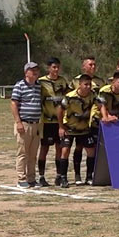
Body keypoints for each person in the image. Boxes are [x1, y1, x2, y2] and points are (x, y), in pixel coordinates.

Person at [56, 74, 96, 188]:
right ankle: (63, 178)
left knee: (91, 151)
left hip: (84, 129)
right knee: (65, 151)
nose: (88, 87)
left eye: (89, 84)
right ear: (80, 84)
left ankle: (89, 177)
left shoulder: (93, 95)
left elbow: (100, 104)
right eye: (86, 84)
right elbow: (59, 110)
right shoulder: (69, 96)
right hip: (70, 129)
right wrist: (61, 126)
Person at [37, 57, 71, 187]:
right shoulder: (41, 82)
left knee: (60, 147)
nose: (56, 70)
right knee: (44, 148)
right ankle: (41, 176)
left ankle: (59, 176)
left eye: (58, 67)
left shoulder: (62, 81)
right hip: (46, 121)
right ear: (48, 68)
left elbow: (67, 96)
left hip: (60, 122)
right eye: (54, 67)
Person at [10, 61, 43, 188]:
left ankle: (31, 178)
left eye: (36, 70)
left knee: (33, 154)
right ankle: (21, 178)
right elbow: (13, 104)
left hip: (36, 124)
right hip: (24, 123)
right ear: (26, 72)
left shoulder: (39, 86)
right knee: (23, 152)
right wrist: (18, 122)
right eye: (32, 70)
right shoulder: (19, 86)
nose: (35, 72)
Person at [71, 56, 103, 182]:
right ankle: (77, 175)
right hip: (79, 122)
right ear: (83, 66)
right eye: (90, 65)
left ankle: (91, 175)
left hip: (94, 121)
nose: (93, 67)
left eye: (94, 65)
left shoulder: (100, 81)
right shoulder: (75, 81)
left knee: (93, 148)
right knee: (78, 147)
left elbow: (101, 100)